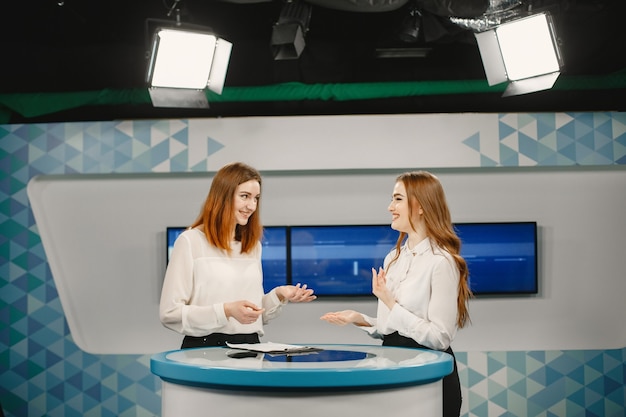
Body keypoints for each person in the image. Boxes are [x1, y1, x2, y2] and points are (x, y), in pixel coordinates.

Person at [320, 170, 472, 417]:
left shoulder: (442, 262)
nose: (390, 206)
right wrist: (357, 318)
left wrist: (390, 301)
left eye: (398, 199)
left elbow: (440, 338)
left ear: (420, 206)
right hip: (392, 365)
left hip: (428, 374)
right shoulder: (393, 258)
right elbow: (391, 328)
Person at [160, 162, 316, 349]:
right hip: (205, 350)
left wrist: (280, 294)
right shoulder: (190, 241)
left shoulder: (252, 246)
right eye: (244, 196)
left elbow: (256, 315)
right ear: (223, 197)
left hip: (250, 348)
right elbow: (170, 313)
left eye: (256, 198)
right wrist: (225, 311)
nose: (251, 206)